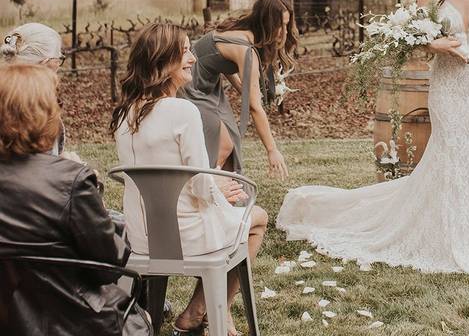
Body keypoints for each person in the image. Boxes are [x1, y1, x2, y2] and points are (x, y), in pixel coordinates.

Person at [276, 0, 469, 277]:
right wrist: (436, 44)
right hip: (448, 85)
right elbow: (411, 37)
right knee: (449, 153)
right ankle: (446, 237)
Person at [112, 23, 268, 336]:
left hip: (142, 238)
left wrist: (210, 184)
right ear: (162, 60)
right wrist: (217, 185)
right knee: (258, 218)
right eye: (184, 51)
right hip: (188, 236)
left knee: (225, 211)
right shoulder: (183, 111)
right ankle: (201, 311)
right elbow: (200, 187)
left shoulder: (124, 113)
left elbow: (156, 174)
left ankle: (199, 312)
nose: (193, 58)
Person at [0, 64, 144, 336]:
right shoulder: (71, 179)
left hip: (8, 321)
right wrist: (87, 186)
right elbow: (110, 267)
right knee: (138, 316)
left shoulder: (68, 178)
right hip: (72, 320)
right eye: (57, 103)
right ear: (43, 113)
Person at [182, 0, 296, 178]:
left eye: (286, 25)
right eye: (279, 25)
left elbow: (217, 57)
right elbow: (254, 107)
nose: (284, 32)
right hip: (190, 84)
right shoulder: (245, 49)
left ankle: (225, 192)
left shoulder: (247, 33)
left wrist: (240, 86)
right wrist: (272, 150)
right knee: (223, 144)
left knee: (231, 138)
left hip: (210, 84)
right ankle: (201, 187)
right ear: (265, 23)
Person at [1, 22, 67, 155]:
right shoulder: (39, 111)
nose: (59, 65)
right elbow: (41, 167)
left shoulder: (5, 98)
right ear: (45, 64)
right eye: (59, 58)